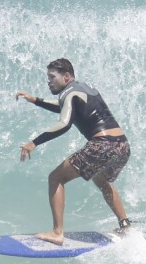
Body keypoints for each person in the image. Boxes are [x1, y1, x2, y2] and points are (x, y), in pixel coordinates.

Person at [15, 58, 131, 245]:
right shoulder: (84, 88)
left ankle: (57, 232)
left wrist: (34, 142)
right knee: (102, 179)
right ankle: (125, 225)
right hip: (122, 145)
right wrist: (35, 100)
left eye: (52, 77)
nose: (48, 81)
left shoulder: (68, 93)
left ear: (67, 76)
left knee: (55, 178)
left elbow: (64, 123)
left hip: (102, 145)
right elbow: (64, 106)